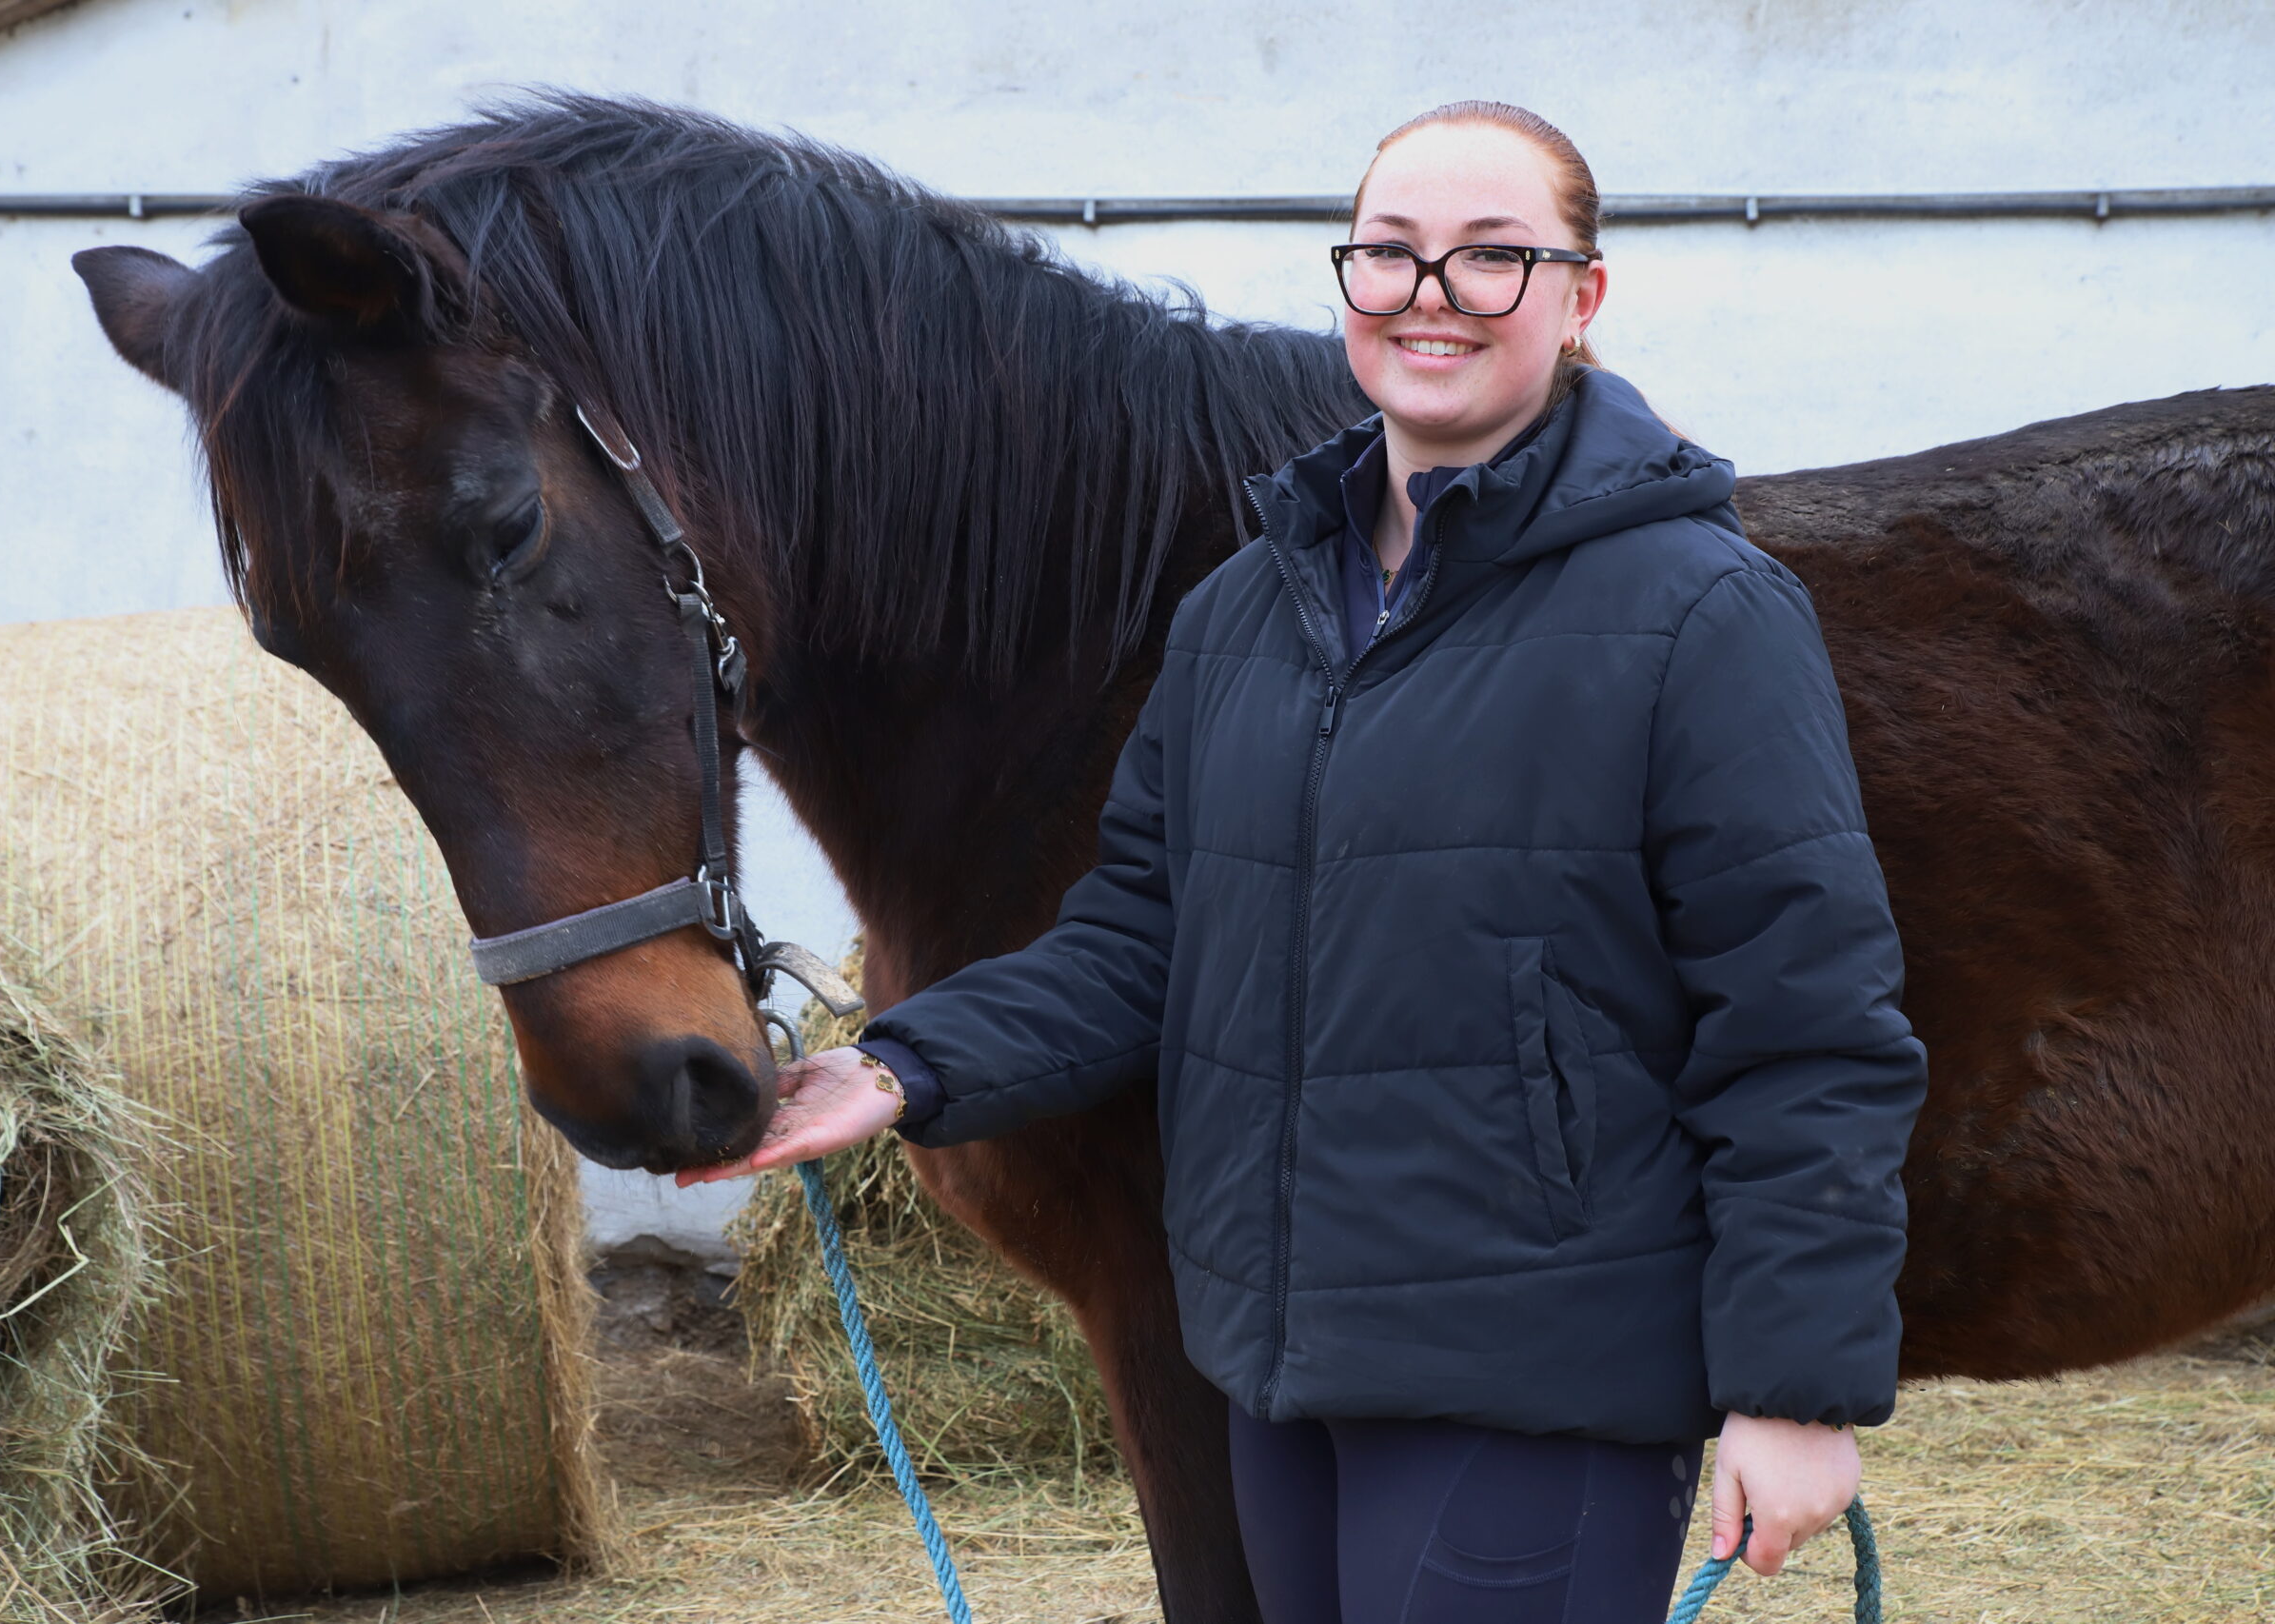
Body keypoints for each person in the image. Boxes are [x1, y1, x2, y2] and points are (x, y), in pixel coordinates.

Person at [681, 100, 1927, 1624]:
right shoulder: (1243, 613)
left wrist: (1796, 1387)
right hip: (1275, 1375)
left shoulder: (1701, 610)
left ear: (1581, 295)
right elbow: (1139, 940)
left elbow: (1809, 1023)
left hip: (1535, 1381)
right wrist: (899, 1067)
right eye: (1390, 252)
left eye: (1492, 256)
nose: (1431, 294)